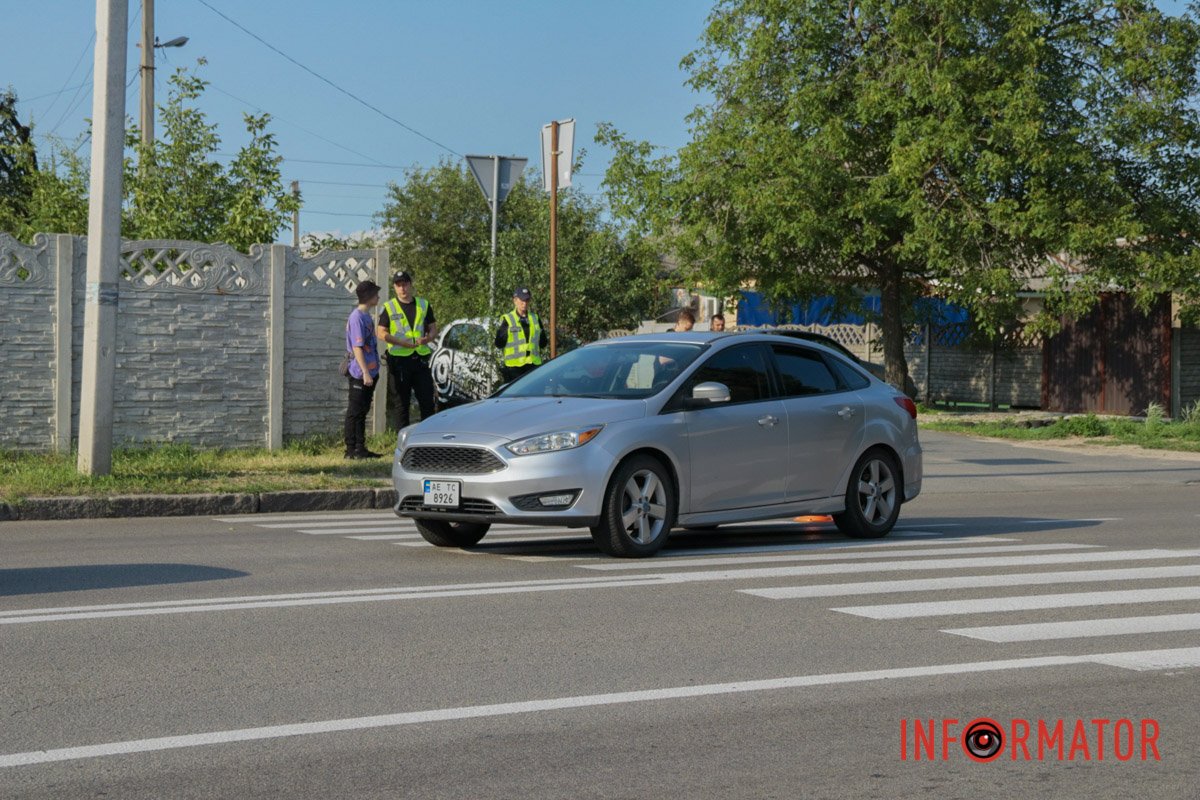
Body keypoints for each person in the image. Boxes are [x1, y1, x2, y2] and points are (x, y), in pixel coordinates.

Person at [376, 271, 437, 429]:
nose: (402, 288)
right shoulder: (389, 307)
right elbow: (381, 332)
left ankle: (427, 438)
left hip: (420, 359)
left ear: (410, 285)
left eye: (405, 284)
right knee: (401, 403)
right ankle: (402, 441)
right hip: (399, 361)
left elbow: (433, 329)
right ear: (394, 287)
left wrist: (427, 339)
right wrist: (401, 343)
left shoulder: (423, 304)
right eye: (398, 285)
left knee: (427, 401)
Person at [344, 280, 382, 459]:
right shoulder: (357, 317)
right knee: (355, 411)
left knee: (363, 411)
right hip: (360, 374)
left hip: (371, 372)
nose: (378, 297)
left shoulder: (367, 316)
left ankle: (361, 447)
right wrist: (365, 372)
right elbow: (357, 347)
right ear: (368, 296)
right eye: (375, 294)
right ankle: (351, 450)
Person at [494, 287, 549, 384]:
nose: (525, 303)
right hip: (514, 369)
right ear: (515, 300)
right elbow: (499, 343)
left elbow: (543, 343)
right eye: (522, 300)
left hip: (533, 366)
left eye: (527, 300)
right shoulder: (508, 319)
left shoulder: (535, 318)